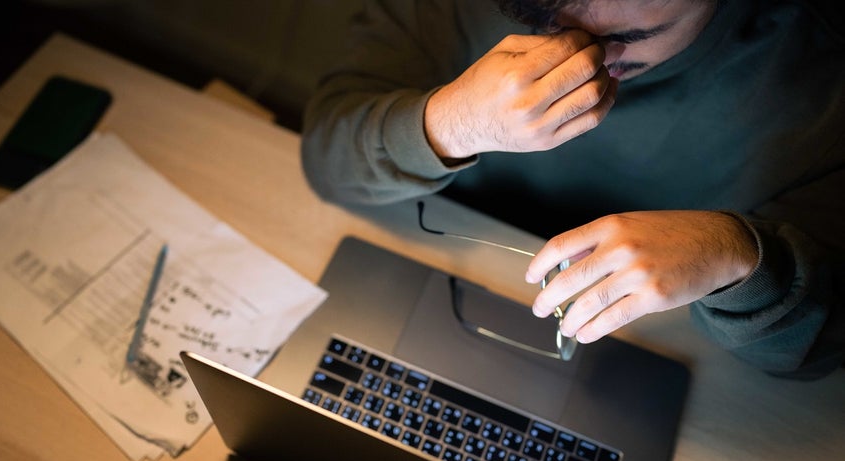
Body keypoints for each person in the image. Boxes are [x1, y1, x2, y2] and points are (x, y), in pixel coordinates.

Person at [300, 0, 845, 379]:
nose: (578, 59)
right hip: (426, 286)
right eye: (540, 19)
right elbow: (326, 162)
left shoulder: (821, 87)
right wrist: (451, 124)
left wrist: (736, 256)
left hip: (663, 361)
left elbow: (819, 350)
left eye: (624, 38)